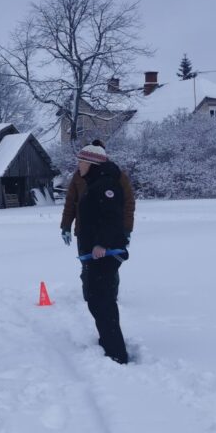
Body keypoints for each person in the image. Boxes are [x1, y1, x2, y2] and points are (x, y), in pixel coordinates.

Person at [73, 144, 130, 364]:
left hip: (104, 254)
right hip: (95, 254)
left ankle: (116, 352)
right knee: (97, 300)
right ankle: (108, 342)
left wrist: (101, 244)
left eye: (81, 162)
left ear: (92, 163)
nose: (78, 166)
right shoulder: (96, 183)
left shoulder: (106, 185)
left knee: (103, 301)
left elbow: (112, 218)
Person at [61, 139, 135, 247]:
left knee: (103, 262)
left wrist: (126, 229)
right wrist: (66, 225)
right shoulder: (79, 175)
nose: (80, 164)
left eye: (82, 161)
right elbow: (71, 202)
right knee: (88, 262)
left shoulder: (117, 176)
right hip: (84, 230)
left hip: (109, 231)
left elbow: (128, 203)